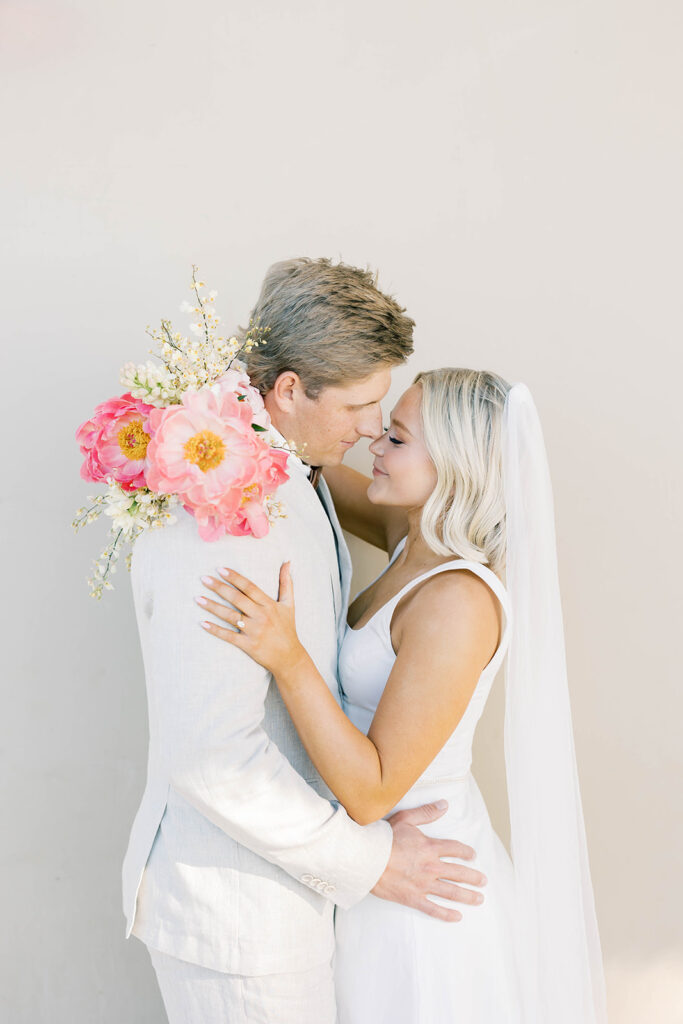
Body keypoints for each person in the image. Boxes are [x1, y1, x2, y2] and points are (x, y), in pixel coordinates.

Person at [123, 263, 488, 1024]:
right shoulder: (221, 513)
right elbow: (213, 757)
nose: (372, 427)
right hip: (241, 922)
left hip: (302, 907)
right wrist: (371, 862)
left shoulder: (297, 470)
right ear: (288, 390)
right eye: (359, 404)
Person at [200, 367, 608, 1022]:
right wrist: (217, 408)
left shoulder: (457, 601)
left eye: (395, 437)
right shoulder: (410, 539)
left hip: (423, 878)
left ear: (453, 464)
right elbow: (303, 458)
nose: (373, 445)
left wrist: (286, 656)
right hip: (373, 859)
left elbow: (372, 791)